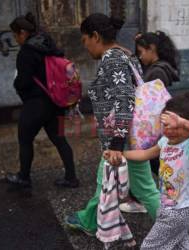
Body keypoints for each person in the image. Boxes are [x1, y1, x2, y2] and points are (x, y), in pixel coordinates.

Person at [65, 13, 159, 236]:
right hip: (122, 137)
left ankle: (173, 228)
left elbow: (125, 100)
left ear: (95, 36)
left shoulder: (113, 59)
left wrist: (117, 143)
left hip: (124, 140)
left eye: (85, 40)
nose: (85, 46)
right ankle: (89, 220)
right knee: (104, 180)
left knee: (146, 189)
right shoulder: (125, 55)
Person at [115, 94, 189, 249]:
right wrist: (120, 154)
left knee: (149, 246)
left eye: (177, 127)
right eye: (166, 125)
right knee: (181, 244)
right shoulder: (165, 142)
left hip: (179, 211)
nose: (170, 130)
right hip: (167, 207)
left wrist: (184, 122)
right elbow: (144, 154)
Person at [6, 12, 79, 188]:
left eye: (16, 35)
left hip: (36, 105)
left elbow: (23, 82)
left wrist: (16, 83)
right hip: (57, 103)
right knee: (60, 139)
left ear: (23, 32)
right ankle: (71, 178)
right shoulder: (50, 45)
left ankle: (24, 177)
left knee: (24, 139)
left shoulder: (27, 52)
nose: (16, 39)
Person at [119, 31, 183, 213]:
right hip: (156, 124)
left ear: (152, 49)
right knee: (155, 161)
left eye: (141, 52)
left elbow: (149, 102)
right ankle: (141, 196)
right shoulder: (160, 67)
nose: (140, 56)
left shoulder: (157, 71)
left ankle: (141, 199)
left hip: (151, 125)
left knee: (151, 160)